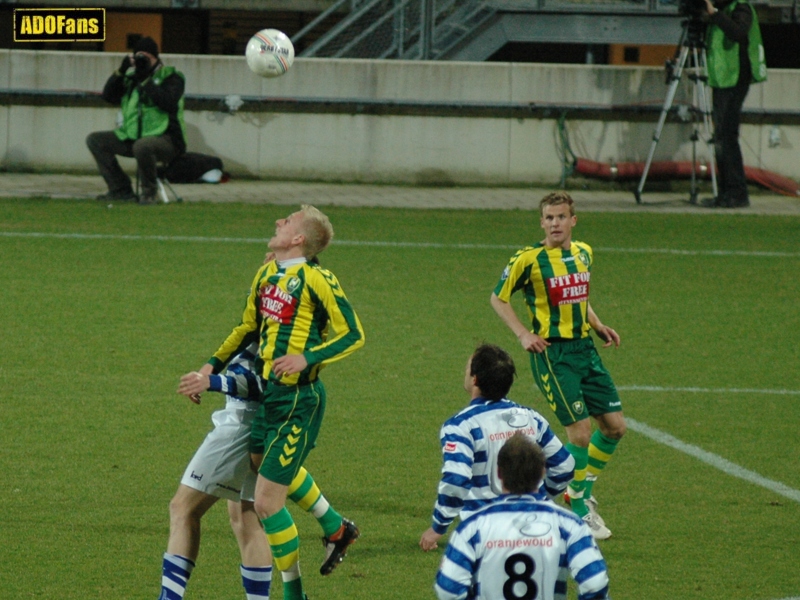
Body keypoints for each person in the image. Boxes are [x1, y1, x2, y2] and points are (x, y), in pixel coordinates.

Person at [189, 205, 365, 600]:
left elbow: (353, 333)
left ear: (299, 238)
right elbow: (247, 327)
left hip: (300, 400)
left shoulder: (318, 279)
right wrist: (209, 367)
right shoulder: (268, 273)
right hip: (270, 396)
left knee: (266, 502)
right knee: (260, 470)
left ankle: (294, 593)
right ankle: (336, 528)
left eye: (287, 221)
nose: (278, 222)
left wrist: (308, 357)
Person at [157, 342, 359, 600]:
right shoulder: (269, 310)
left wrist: (214, 382)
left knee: (183, 508)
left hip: (243, 424)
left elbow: (268, 382)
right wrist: (210, 368)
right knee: (246, 516)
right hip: (257, 420)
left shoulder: (277, 318)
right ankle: (331, 524)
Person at [490, 191, 625, 540]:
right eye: (549, 218)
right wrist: (522, 334)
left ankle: (577, 486)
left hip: (585, 350)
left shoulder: (584, 253)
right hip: (553, 355)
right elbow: (498, 297)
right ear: (541, 222)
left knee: (614, 428)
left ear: (572, 221)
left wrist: (597, 325)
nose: (555, 223)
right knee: (579, 433)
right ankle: (578, 510)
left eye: (561, 217)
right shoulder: (528, 259)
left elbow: (579, 297)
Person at [419, 343, 574, 552]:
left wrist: (437, 527)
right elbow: (564, 466)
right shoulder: (531, 418)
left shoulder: (461, 426)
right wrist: (540, 499)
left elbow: (456, 479)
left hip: (484, 535)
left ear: (474, 379)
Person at [434, 434, 610, 600]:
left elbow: (447, 588)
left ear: (499, 473)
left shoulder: (472, 527)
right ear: (542, 472)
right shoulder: (569, 525)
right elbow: (594, 583)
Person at [86, 36, 187, 205]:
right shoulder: (132, 78)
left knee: (143, 145)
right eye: (139, 57)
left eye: (146, 58)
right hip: (133, 136)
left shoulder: (172, 77)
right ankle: (120, 189)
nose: (143, 61)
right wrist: (121, 71)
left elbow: (167, 102)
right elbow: (109, 96)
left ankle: (149, 193)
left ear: (156, 57)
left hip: (167, 139)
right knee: (95, 140)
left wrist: (146, 80)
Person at [701, 0, 767, 208]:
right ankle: (726, 192)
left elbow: (738, 33)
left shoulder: (741, 7)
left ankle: (737, 192)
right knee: (721, 135)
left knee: (727, 135)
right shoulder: (726, 9)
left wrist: (715, 15)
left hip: (736, 76)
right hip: (722, 77)